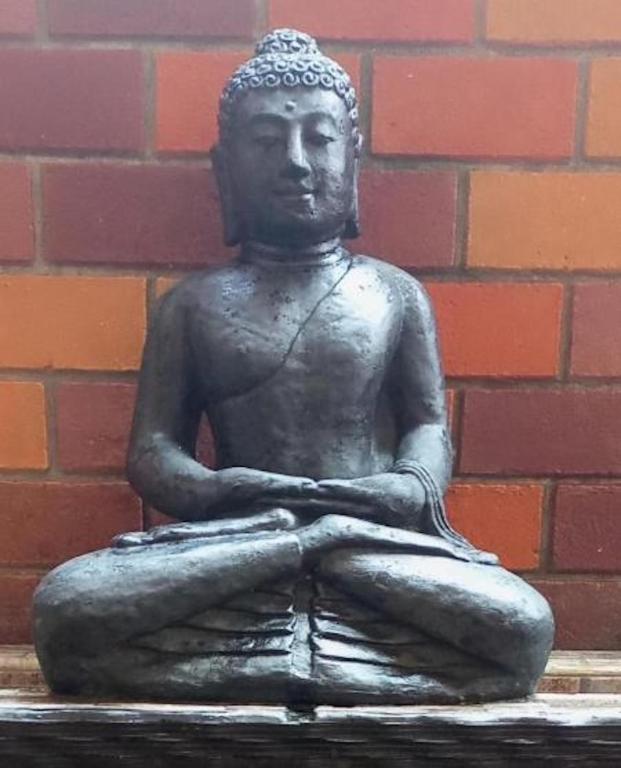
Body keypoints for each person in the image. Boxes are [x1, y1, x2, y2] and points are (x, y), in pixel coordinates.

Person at [34, 29, 553, 704]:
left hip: (366, 541)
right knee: (64, 612)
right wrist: (223, 492)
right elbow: (154, 451)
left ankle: (299, 588)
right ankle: (318, 587)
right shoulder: (190, 305)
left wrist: (408, 485)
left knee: (523, 627)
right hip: (242, 537)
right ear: (225, 169)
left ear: (353, 160)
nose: (296, 162)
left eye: (319, 137)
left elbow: (428, 424)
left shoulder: (393, 294)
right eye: (266, 141)